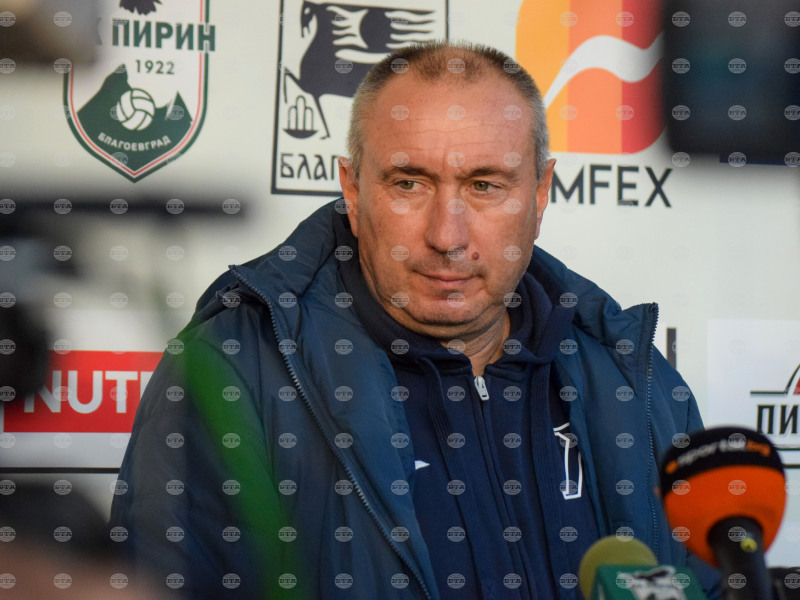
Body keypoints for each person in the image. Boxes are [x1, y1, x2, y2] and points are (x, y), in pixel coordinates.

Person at [111, 41, 719, 598]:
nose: (446, 236)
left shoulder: (635, 380)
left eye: (484, 186)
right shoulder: (234, 374)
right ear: (352, 191)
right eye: (409, 183)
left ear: (539, 194)